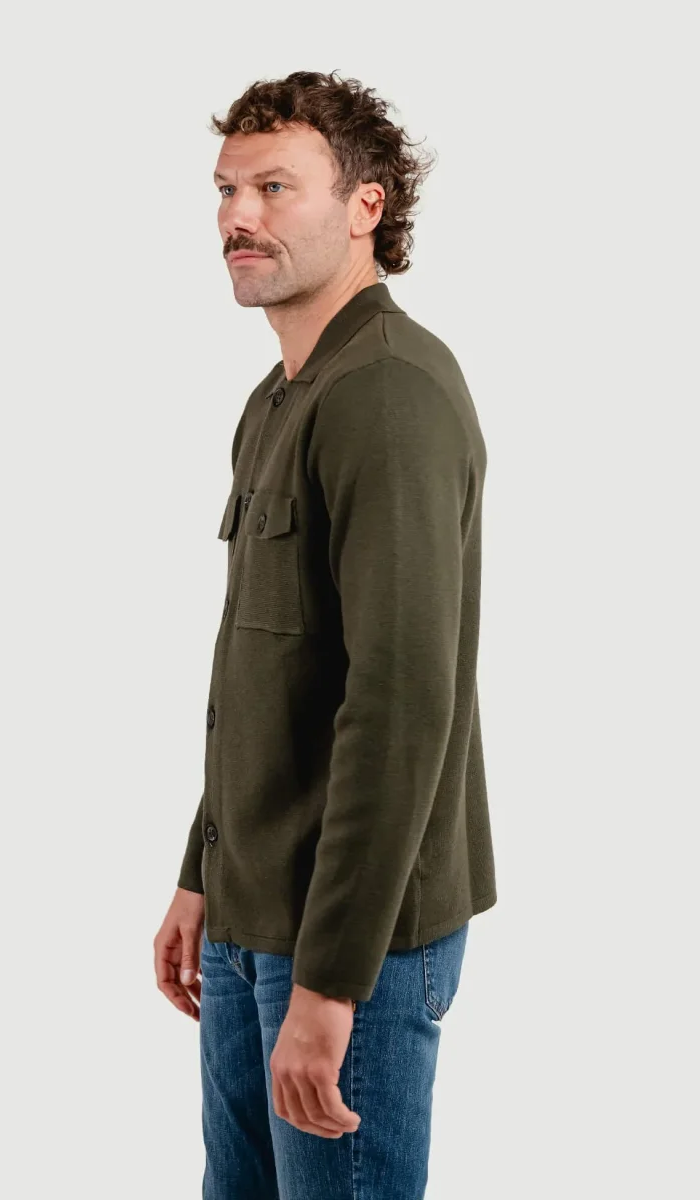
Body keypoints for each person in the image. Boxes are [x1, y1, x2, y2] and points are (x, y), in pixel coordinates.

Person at [154, 69, 497, 1199]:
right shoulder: (281, 396)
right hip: (250, 916)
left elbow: (398, 706)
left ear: (365, 205)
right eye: (225, 189)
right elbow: (263, 675)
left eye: (273, 187)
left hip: (352, 943)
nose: (236, 216)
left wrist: (332, 979)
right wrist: (203, 872)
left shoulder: (386, 395)